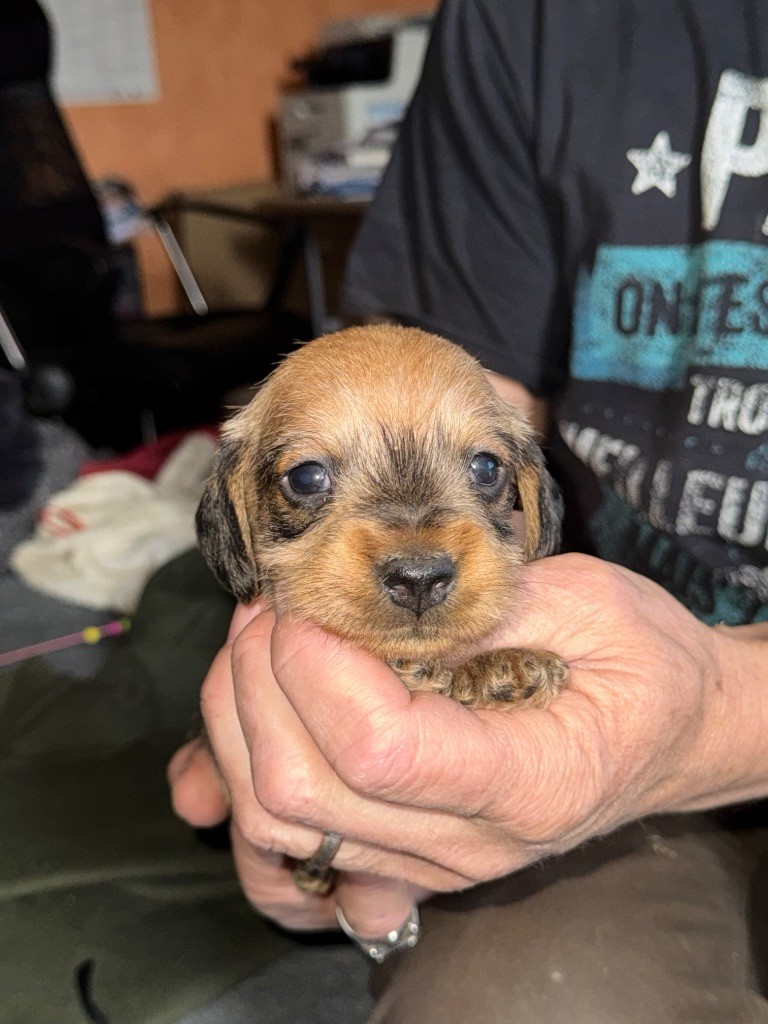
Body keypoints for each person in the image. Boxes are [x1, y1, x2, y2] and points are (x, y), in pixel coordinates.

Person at [168, 1, 768, 1020]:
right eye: (309, 480)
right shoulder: (526, 19)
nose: (414, 549)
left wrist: (720, 712)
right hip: (621, 710)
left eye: (484, 474)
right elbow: (466, 375)